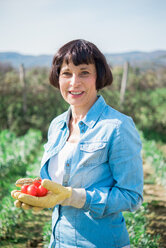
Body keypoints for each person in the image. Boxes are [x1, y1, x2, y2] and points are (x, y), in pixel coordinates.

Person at [11, 39, 144, 248]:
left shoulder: (117, 126)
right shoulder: (57, 125)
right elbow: (63, 180)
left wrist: (74, 197)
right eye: (66, 73)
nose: (74, 82)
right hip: (57, 242)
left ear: (98, 77)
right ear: (57, 77)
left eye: (84, 72)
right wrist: (40, 190)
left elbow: (131, 196)